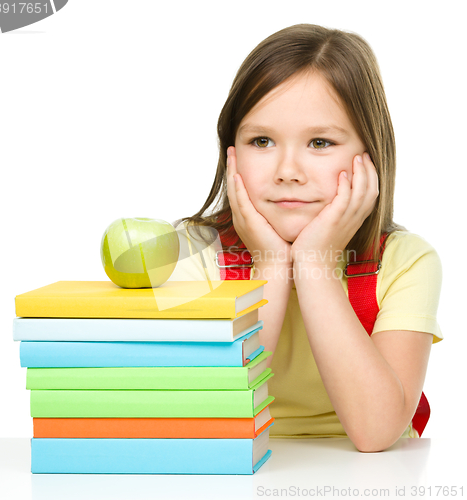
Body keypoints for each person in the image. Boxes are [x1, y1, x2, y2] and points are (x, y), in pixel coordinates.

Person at [172, 24, 443, 453]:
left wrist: (315, 263)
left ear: (369, 155)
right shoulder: (193, 253)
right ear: (231, 152)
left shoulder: (405, 261)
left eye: (320, 142)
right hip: (237, 465)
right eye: (262, 141)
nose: (288, 171)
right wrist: (273, 267)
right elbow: (207, 417)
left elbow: (376, 433)